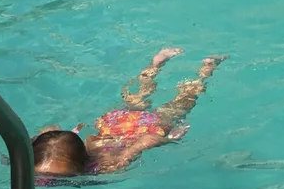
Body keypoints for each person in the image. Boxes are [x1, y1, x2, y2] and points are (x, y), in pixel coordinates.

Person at [32, 47, 225, 178]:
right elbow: (50, 129)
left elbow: (147, 139)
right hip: (111, 123)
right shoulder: (53, 147)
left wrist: (171, 138)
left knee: (183, 100)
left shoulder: (108, 165)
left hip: (142, 128)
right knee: (137, 98)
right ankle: (157, 63)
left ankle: (207, 68)